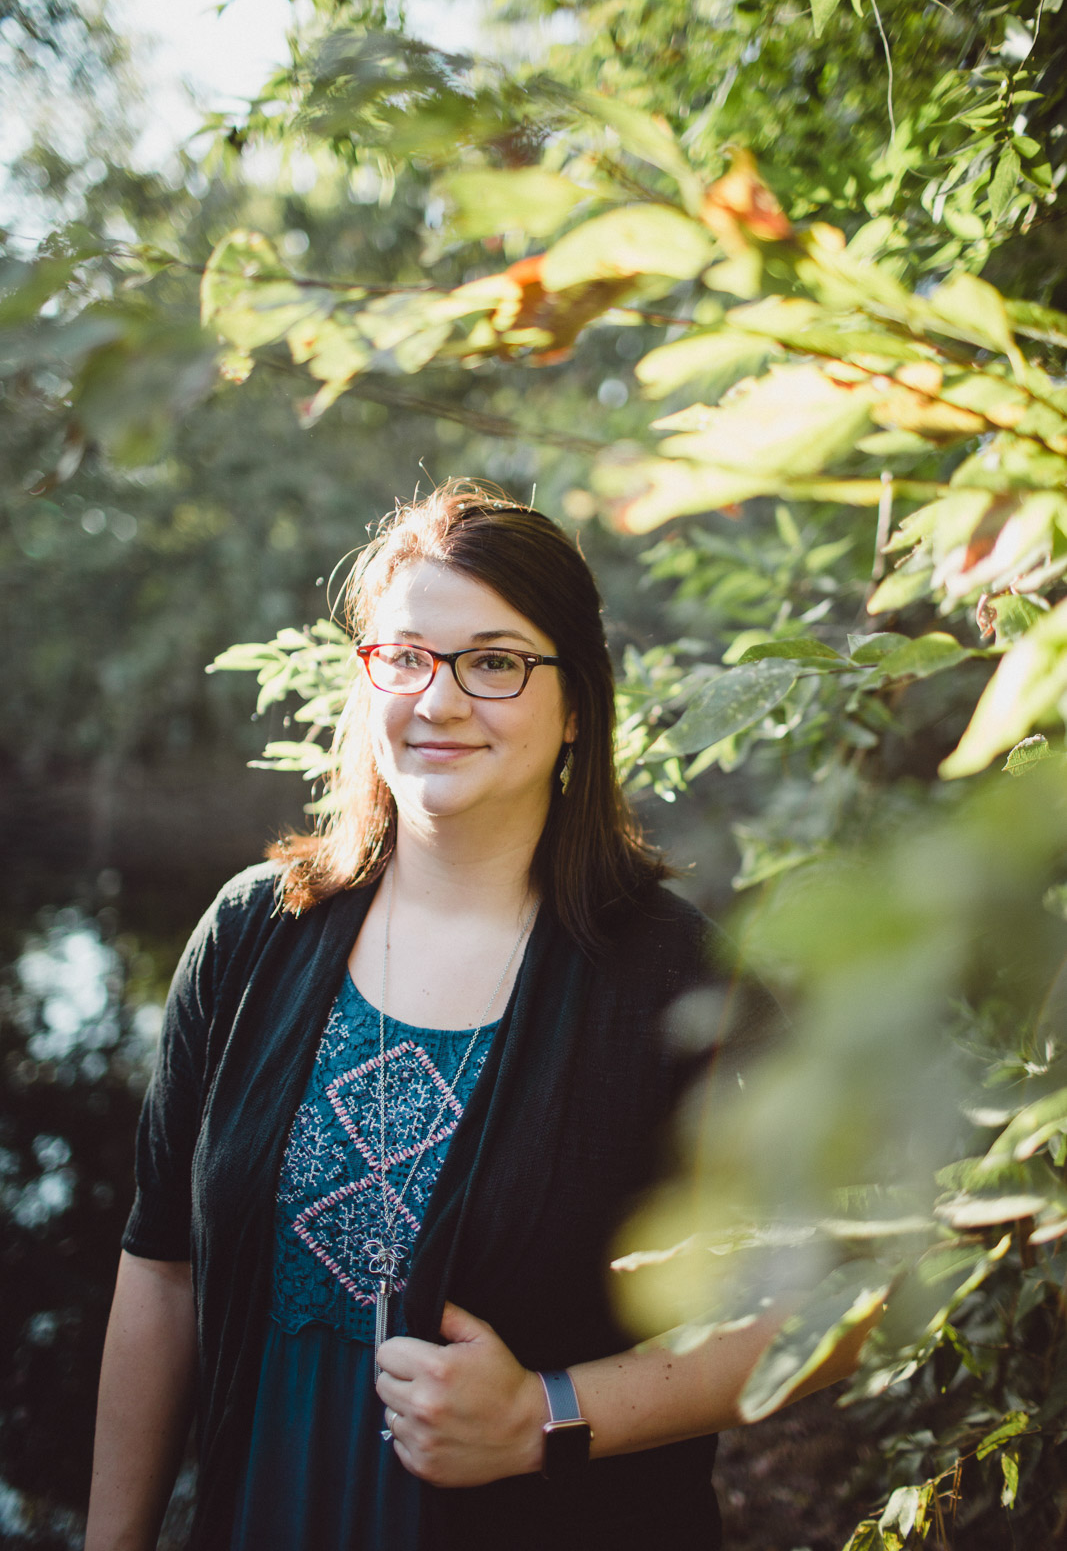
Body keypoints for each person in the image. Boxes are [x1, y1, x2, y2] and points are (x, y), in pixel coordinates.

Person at [85, 480, 861, 1551]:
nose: (438, 700)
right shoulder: (252, 934)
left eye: (493, 661)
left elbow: (808, 1313)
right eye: (404, 656)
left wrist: (541, 1417)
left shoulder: (677, 976)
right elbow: (161, 1271)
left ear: (576, 699)